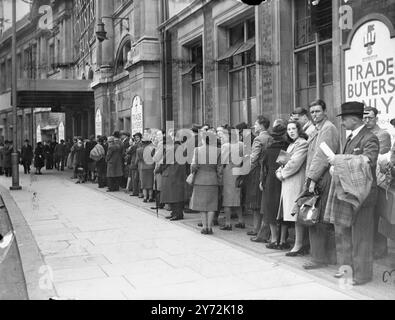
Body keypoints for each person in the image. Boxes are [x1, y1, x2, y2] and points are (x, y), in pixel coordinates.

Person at [327, 101, 379, 286]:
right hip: (349, 193)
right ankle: (346, 270)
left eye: (344, 119)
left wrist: (338, 161)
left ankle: (362, 275)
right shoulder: (352, 137)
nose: (342, 122)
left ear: (355, 119)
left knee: (361, 236)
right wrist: (337, 168)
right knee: (343, 233)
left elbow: (368, 161)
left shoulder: (369, 138)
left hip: (363, 196)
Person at [302, 99, 339, 270]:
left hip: (322, 178)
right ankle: (327, 257)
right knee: (320, 218)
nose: (315, 114)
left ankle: (318, 258)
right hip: (319, 177)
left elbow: (321, 157)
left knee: (315, 217)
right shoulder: (319, 129)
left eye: (318, 111)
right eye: (313, 112)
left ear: (325, 111)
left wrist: (312, 180)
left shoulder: (328, 128)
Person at [274, 121, 308, 251]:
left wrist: (281, 174)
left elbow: (294, 163)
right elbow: (282, 162)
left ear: (299, 129)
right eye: (289, 129)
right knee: (293, 214)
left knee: (297, 214)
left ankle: (299, 245)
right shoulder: (291, 145)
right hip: (288, 182)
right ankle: (298, 244)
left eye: (294, 128)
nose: (291, 131)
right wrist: (279, 171)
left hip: (295, 181)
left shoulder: (302, 143)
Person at [364, 106, 392, 259]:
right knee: (370, 216)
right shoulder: (363, 134)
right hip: (366, 181)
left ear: (376, 118)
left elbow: (375, 156)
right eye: (365, 117)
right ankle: (373, 248)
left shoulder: (383, 134)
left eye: (370, 117)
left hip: (379, 182)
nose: (367, 120)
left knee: (379, 215)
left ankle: (380, 250)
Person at [254, 121, 289, 243]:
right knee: (283, 209)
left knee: (270, 210)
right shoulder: (287, 148)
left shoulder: (268, 150)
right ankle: (283, 240)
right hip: (283, 179)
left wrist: (261, 181)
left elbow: (264, 167)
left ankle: (274, 239)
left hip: (270, 180)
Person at [244, 116, 273, 237]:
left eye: (256, 124)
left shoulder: (258, 139)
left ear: (261, 125)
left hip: (257, 172)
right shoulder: (271, 137)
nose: (254, 126)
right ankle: (264, 229)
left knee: (256, 203)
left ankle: (257, 229)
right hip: (269, 170)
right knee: (264, 202)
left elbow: (253, 158)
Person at [190, 131, 222, 235]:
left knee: (202, 205)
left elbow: (193, 166)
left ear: (204, 139)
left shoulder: (197, 150)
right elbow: (220, 168)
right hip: (213, 180)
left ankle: (204, 227)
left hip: (200, 179)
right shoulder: (218, 151)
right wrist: (219, 180)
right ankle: (210, 227)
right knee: (212, 205)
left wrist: (193, 172)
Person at [158, 131, 187, 221]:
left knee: (173, 195)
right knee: (176, 194)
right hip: (179, 173)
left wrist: (158, 169)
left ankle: (177, 213)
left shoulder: (173, 148)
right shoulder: (182, 147)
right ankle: (175, 213)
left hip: (171, 173)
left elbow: (165, 161)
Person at [219, 127, 244, 230]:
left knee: (227, 199)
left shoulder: (225, 146)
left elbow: (223, 161)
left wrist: (219, 172)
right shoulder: (242, 144)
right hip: (238, 171)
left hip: (228, 172)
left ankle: (228, 223)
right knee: (237, 197)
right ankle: (241, 220)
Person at [135, 132, 155, 201]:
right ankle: (150, 197)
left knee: (143, 183)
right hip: (151, 167)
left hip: (142, 167)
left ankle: (145, 197)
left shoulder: (139, 150)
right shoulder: (152, 149)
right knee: (150, 183)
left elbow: (137, 160)